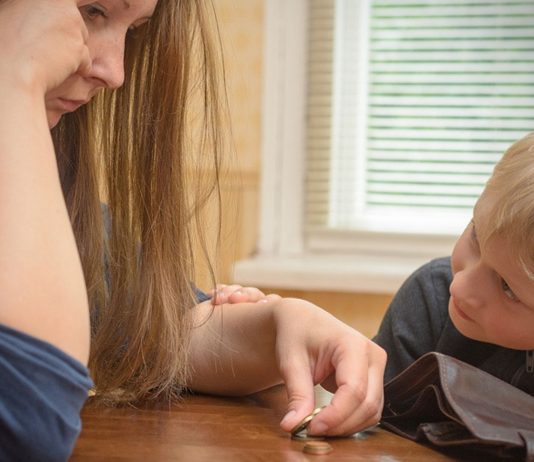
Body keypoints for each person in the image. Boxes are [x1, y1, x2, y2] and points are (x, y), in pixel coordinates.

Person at [0, 1, 386, 459]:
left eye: (135, 29)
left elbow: (159, 330)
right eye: (93, 11)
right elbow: (28, 426)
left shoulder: (52, 184)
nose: (114, 71)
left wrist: (283, 323)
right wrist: (14, 79)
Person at [374, 132, 534, 397]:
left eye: (507, 287)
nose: (460, 286)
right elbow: (375, 419)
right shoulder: (428, 300)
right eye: (475, 237)